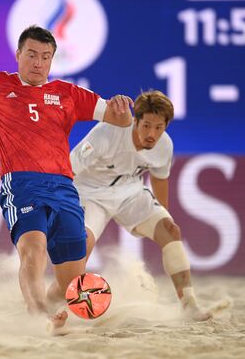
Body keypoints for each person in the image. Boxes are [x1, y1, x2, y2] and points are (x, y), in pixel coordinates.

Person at [0, 25, 132, 328]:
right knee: (34, 249)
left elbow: (121, 118)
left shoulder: (68, 94)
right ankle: (37, 311)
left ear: (52, 60)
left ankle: (50, 309)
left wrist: (121, 107)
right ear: (18, 55)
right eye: (32, 55)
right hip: (22, 184)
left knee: (71, 283)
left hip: (64, 188)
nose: (38, 62)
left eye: (45, 57)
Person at [70, 90, 211, 321]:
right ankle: (60, 302)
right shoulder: (107, 133)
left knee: (171, 230)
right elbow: (68, 169)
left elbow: (159, 178)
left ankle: (189, 304)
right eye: (146, 125)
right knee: (80, 246)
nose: (151, 134)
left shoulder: (165, 145)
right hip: (90, 193)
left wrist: (162, 216)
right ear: (135, 120)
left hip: (130, 192)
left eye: (158, 127)